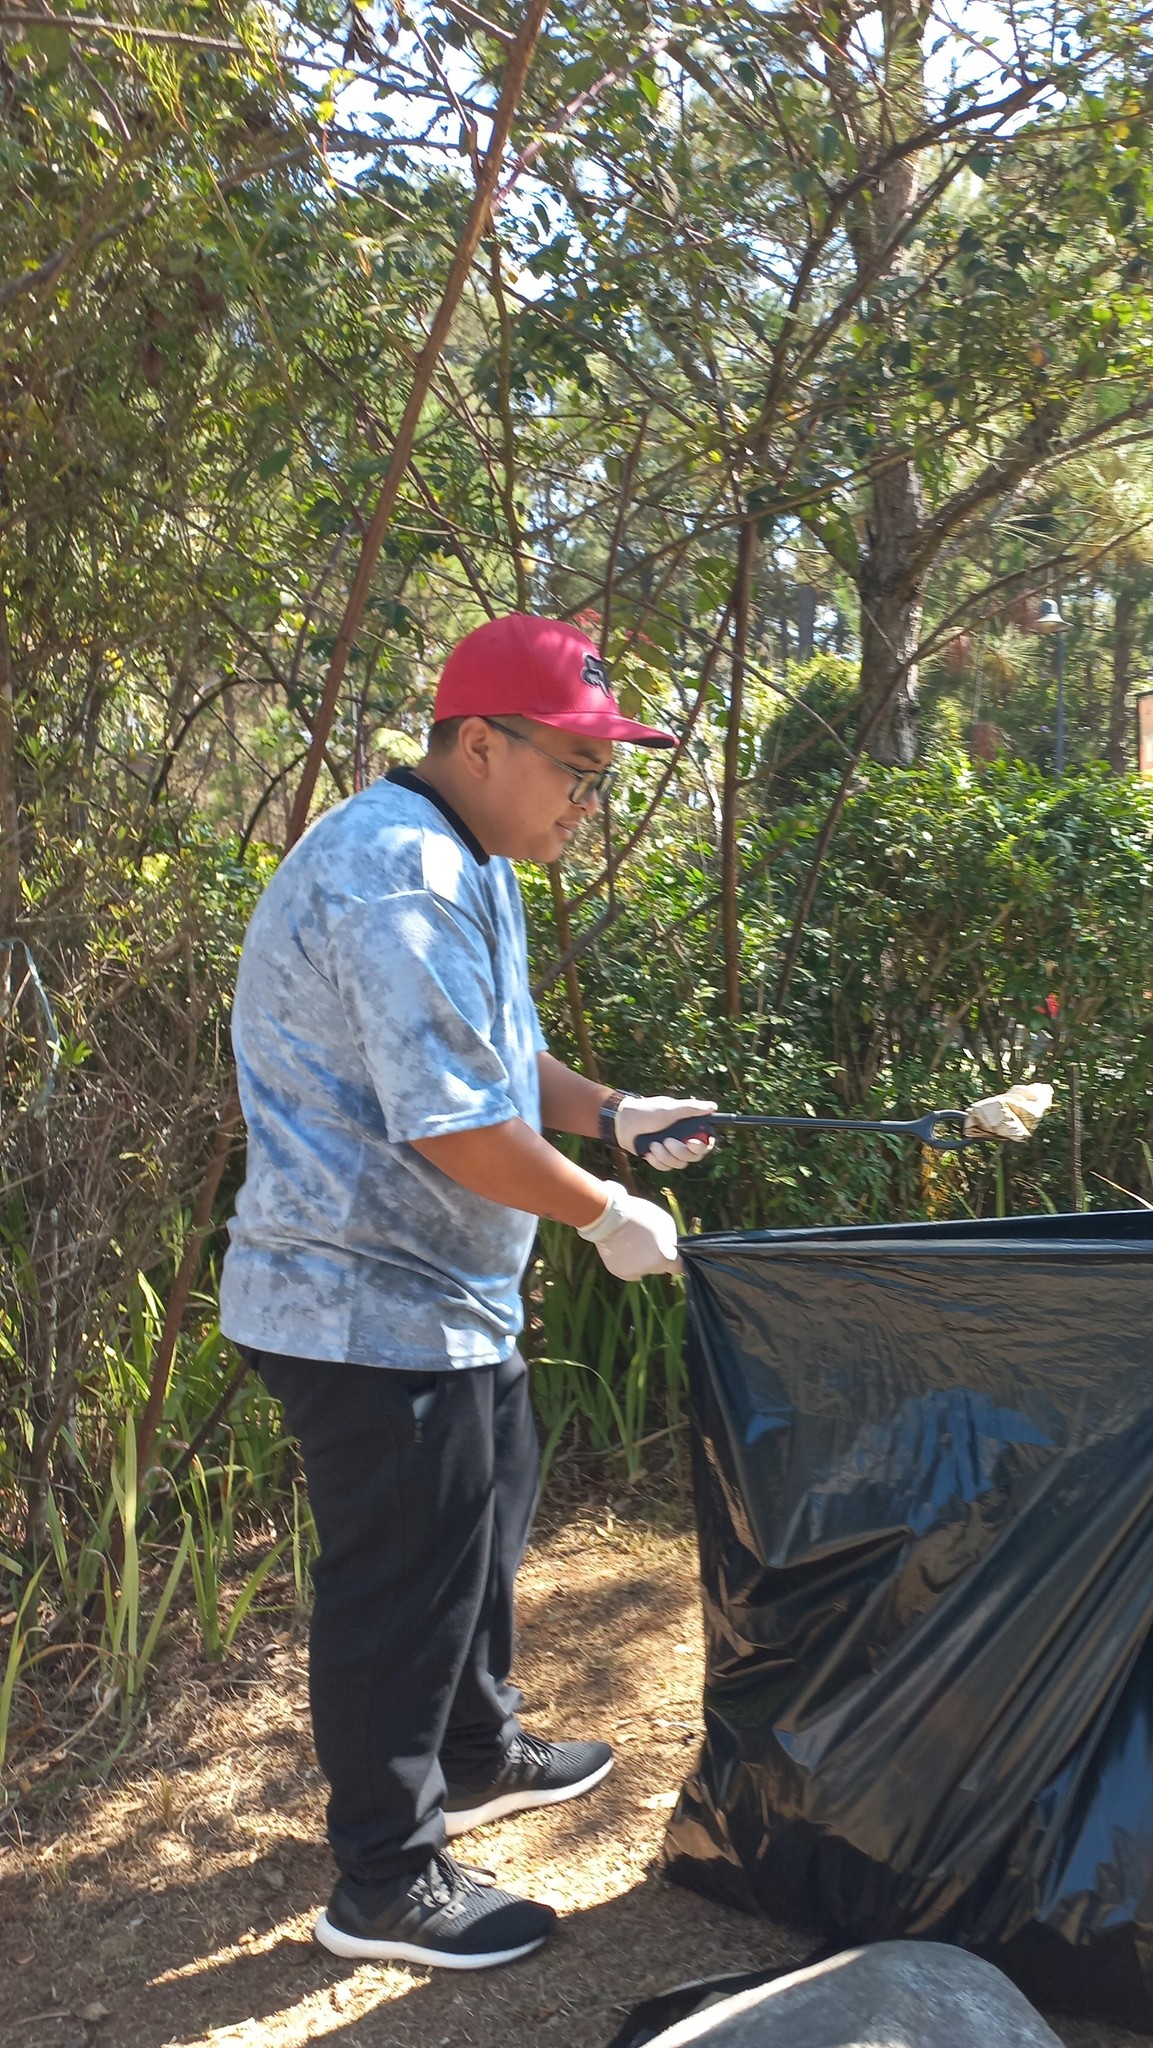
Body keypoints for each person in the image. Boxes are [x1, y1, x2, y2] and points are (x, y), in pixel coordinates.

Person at [220, 614, 722, 1971]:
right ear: (482, 744)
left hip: (447, 1295)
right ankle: (384, 1882)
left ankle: (475, 1749)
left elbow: (500, 1062)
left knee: (487, 1510)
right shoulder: (396, 875)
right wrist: (603, 1210)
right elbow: (452, 1126)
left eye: (602, 776)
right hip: (359, 1303)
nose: (589, 800)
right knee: (404, 1586)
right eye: (577, 768)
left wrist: (614, 1116)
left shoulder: (472, 857)